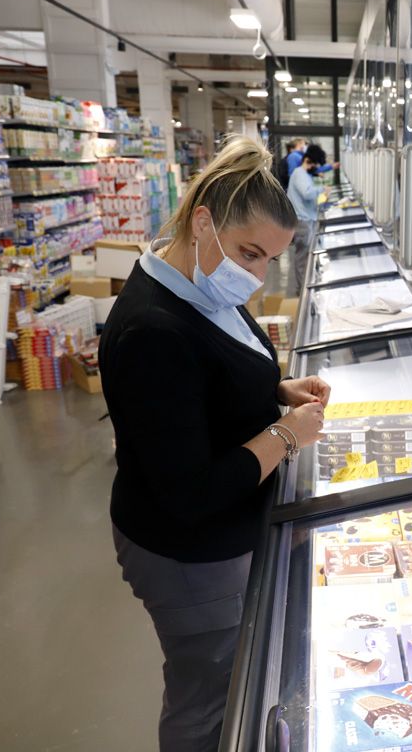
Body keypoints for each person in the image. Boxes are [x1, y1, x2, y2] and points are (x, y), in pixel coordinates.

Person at [99, 136, 331, 751]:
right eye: (249, 254)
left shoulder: (193, 281)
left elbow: (211, 374)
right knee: (207, 700)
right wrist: (285, 435)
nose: (255, 277)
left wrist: (278, 390)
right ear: (203, 219)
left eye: (267, 263)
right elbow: (190, 494)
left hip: (216, 536)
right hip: (186, 556)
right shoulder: (152, 330)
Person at [286, 143, 327, 294]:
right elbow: (307, 193)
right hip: (302, 221)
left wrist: (322, 196)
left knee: (307, 256)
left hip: (308, 219)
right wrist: (322, 189)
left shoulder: (305, 175)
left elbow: (312, 198)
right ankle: (303, 291)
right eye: (315, 164)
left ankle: (307, 287)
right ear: (309, 160)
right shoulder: (299, 173)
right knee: (303, 258)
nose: (315, 167)